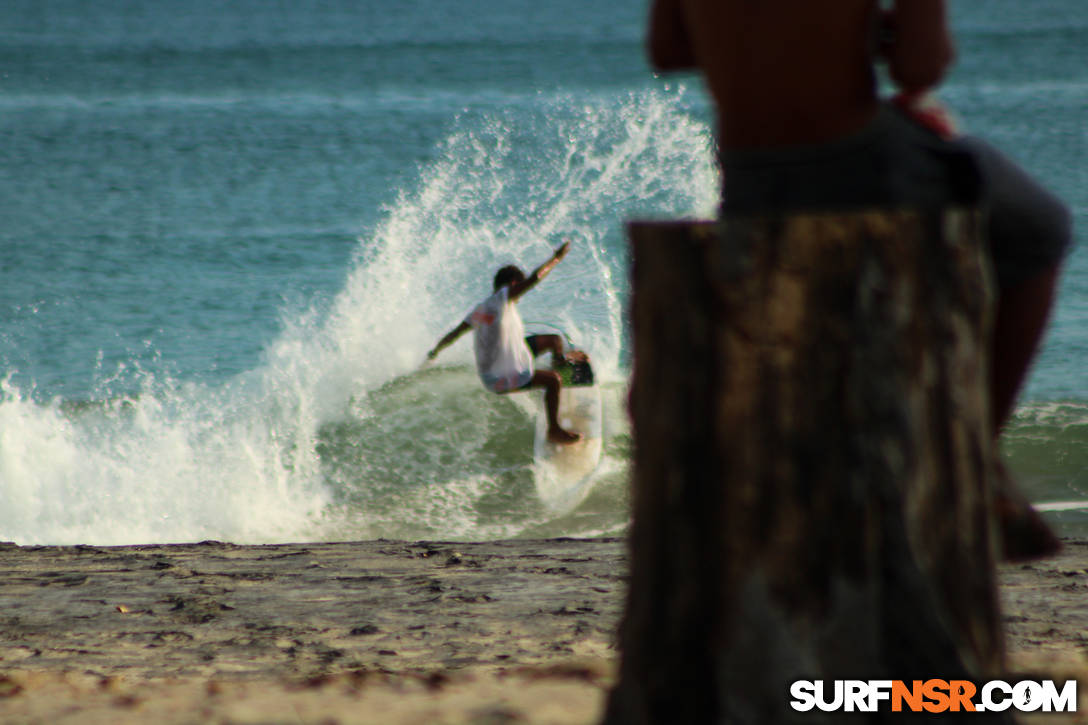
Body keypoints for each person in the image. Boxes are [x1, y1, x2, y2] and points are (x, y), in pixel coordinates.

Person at [647, 0, 1071, 555]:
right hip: (859, 161)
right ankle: (967, 460)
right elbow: (921, 68)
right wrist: (873, 34)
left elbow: (669, 51)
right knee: (1039, 225)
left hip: (748, 176)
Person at [427, 240, 584, 445]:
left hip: (506, 358)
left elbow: (453, 335)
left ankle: (560, 363)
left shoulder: (481, 309)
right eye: (518, 286)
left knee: (554, 341)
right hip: (501, 377)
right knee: (553, 380)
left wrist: (434, 352)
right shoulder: (504, 297)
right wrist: (556, 258)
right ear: (512, 284)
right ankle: (554, 430)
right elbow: (535, 278)